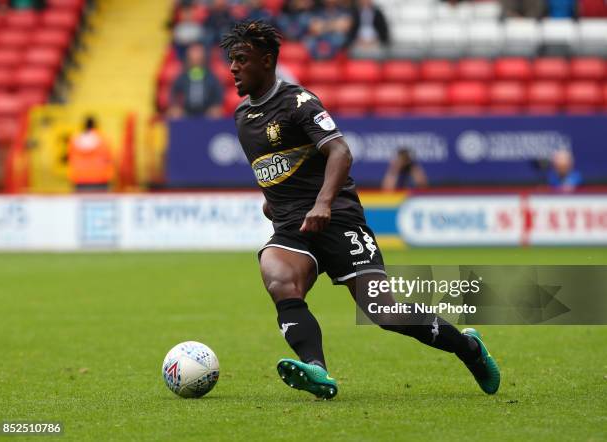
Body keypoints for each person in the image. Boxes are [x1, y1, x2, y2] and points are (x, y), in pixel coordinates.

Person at [220, 21, 500, 400]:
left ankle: (468, 348)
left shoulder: (299, 103)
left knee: (383, 312)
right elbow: (275, 170)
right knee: (279, 279)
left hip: (337, 217)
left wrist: (322, 203)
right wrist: (274, 201)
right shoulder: (243, 119)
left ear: (267, 61)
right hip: (292, 227)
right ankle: (317, 370)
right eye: (231, 60)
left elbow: (340, 151)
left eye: (241, 59)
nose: (233, 67)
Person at [169, 43, 224, 118]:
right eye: (193, 57)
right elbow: (173, 92)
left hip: (207, 111)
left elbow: (218, 92)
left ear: (203, 58)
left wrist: (216, 106)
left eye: (198, 57)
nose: (196, 59)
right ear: (188, 58)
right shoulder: (182, 76)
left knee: (216, 113)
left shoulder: (211, 76)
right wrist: (175, 106)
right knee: (175, 114)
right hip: (186, 111)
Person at [68, 116, 114, 192]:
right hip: (100, 178)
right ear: (96, 125)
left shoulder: (74, 140)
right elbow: (109, 159)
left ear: (83, 126)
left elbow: (70, 159)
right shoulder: (103, 140)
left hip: (80, 178)